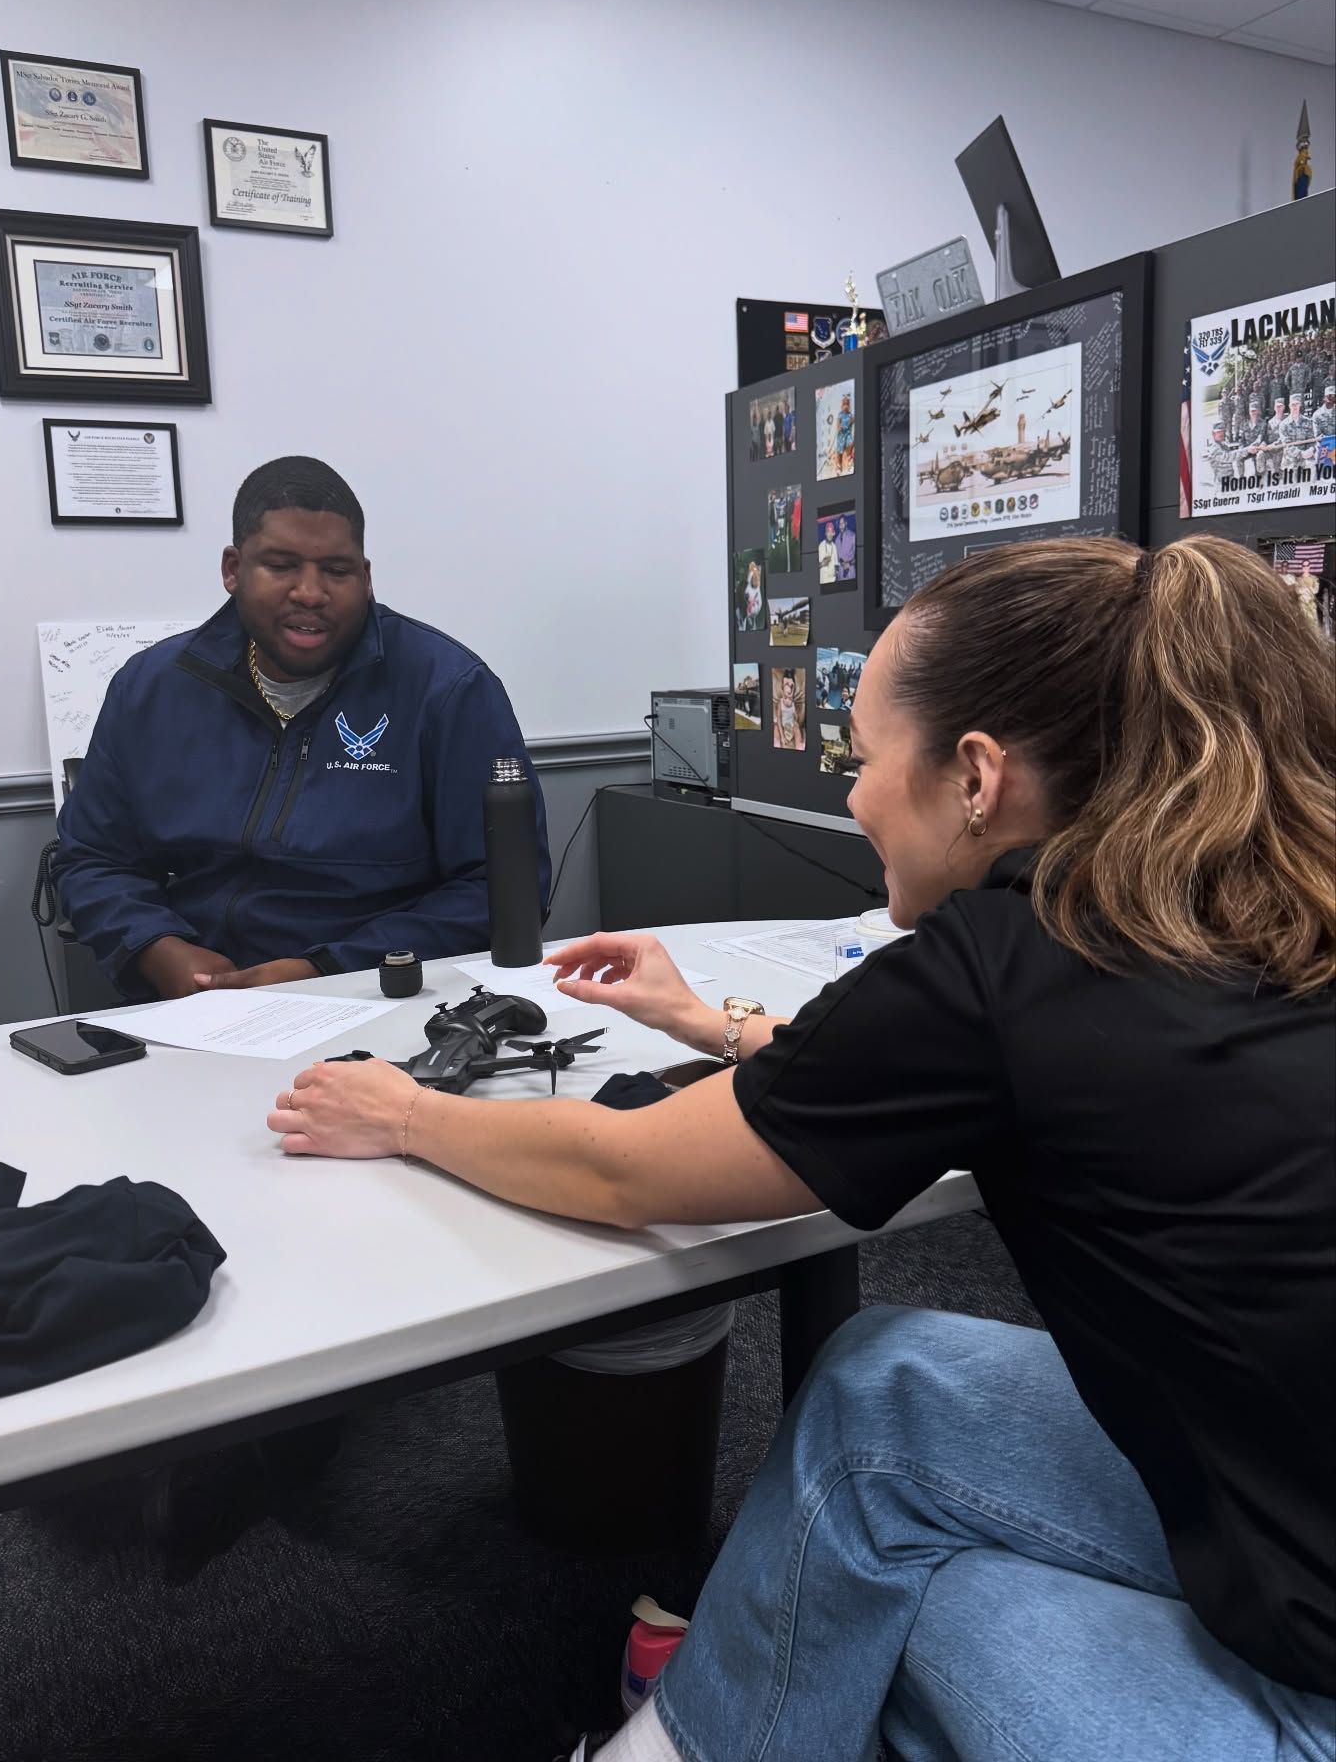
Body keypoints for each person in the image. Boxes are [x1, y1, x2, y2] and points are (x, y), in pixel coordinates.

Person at [268, 535, 1335, 1762]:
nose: (851, 797)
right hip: (1292, 1511)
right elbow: (984, 1073)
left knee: (895, 1603)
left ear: (977, 777)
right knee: (887, 1382)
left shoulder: (1005, 964)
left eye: (866, 760)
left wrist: (401, 1112)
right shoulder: (1233, 911)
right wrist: (704, 1020)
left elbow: (624, 1172)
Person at [53, 457, 548, 998]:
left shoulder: (448, 690)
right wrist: (153, 947)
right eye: (281, 565)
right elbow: (93, 858)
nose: (310, 592)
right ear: (233, 569)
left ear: (366, 577)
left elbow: (498, 889)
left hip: (380, 995)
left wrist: (328, 969)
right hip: (187, 997)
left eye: (337, 570)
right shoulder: (150, 688)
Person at [771, 667, 803, 751]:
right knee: (776, 728)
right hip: (780, 724)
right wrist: (782, 737)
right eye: (786, 684)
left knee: (797, 729)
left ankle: (799, 746)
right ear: (782, 688)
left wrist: (795, 719)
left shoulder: (793, 704)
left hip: (790, 725)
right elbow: (778, 719)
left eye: (791, 685)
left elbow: (796, 717)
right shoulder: (779, 703)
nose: (789, 689)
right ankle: (777, 743)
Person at [834, 512, 856, 580]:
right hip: (840, 575)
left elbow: (858, 555)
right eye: (839, 524)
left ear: (846, 523)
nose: (841, 525)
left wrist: (849, 563)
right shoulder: (836, 540)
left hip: (850, 574)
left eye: (842, 523)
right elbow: (837, 557)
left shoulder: (852, 536)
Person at [817, 519, 837, 584]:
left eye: (831, 531)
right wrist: (821, 564)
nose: (830, 534)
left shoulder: (834, 546)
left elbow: (836, 564)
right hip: (824, 581)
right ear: (825, 533)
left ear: (834, 533)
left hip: (833, 580)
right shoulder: (821, 545)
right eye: (828, 531)